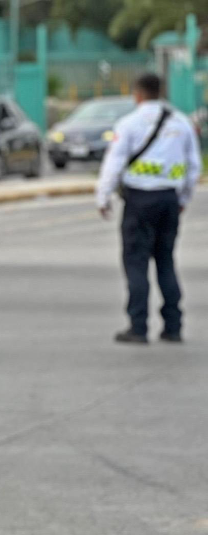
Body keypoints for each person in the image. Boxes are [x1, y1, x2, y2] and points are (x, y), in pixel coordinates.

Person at [96, 72, 200, 344]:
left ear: (138, 94)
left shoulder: (129, 123)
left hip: (139, 201)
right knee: (166, 261)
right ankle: (173, 325)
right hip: (169, 200)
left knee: (136, 263)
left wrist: (103, 197)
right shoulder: (181, 123)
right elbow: (194, 167)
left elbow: (114, 163)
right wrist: (183, 200)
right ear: (161, 91)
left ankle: (138, 326)